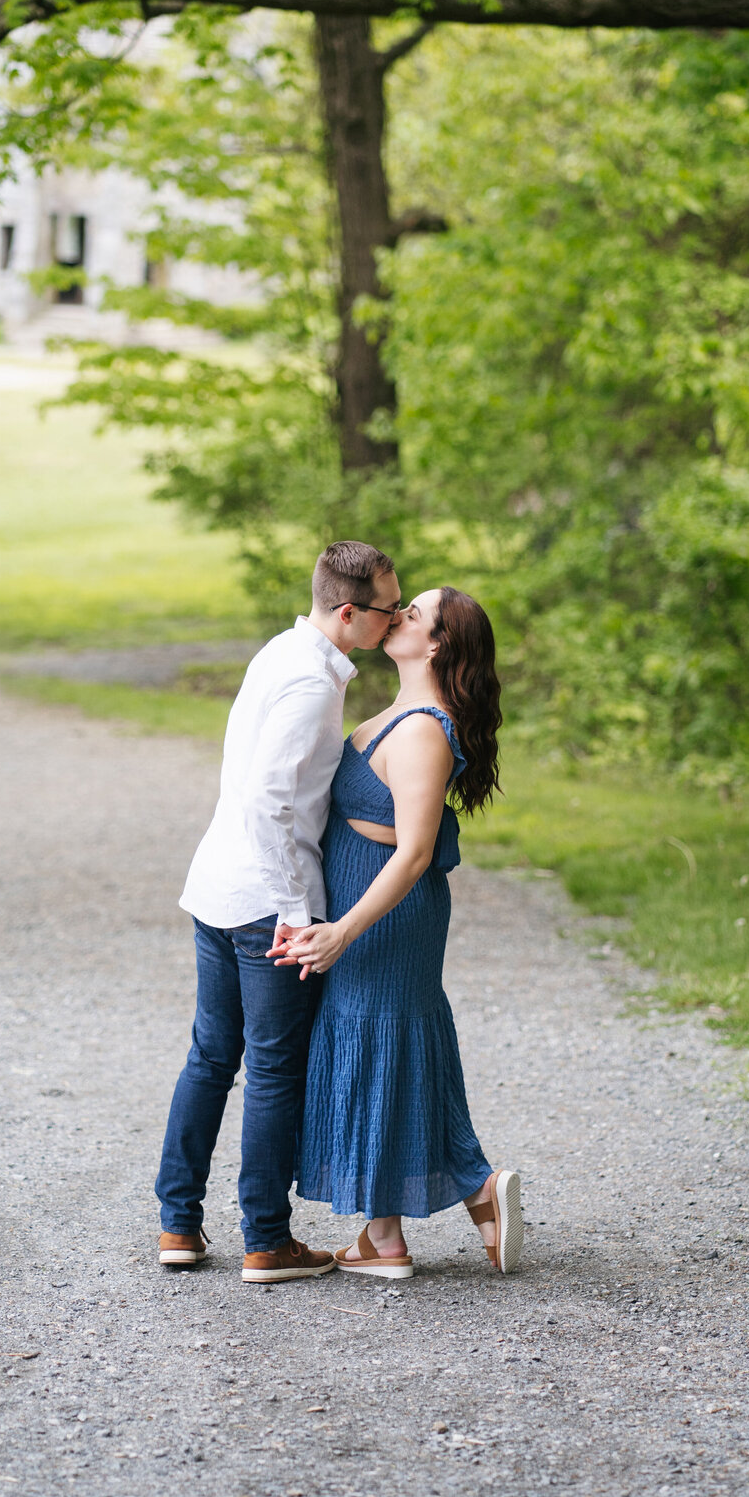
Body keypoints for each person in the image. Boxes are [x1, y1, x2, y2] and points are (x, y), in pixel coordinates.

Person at [154, 541, 401, 1283]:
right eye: (388, 608)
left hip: (219, 885)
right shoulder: (311, 687)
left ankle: (178, 1225)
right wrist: (297, 912)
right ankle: (266, 1239)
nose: (396, 618)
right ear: (349, 611)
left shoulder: (284, 651)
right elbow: (268, 801)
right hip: (266, 903)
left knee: (211, 1057)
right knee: (271, 1069)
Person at [271, 587, 522, 1280]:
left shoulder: (419, 730)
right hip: (363, 911)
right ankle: (392, 1233)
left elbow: (413, 851)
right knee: (377, 1046)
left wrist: (343, 931)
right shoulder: (401, 713)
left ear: (436, 643)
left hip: (384, 917)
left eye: (414, 613)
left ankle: (455, 1193)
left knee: (378, 1042)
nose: (399, 616)